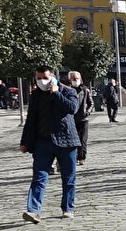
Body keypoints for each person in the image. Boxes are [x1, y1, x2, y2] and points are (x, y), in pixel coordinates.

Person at [20, 66, 81, 223]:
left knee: (68, 178)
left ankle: (68, 208)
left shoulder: (68, 91)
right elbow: (31, 120)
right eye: (38, 78)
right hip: (43, 142)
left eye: (44, 78)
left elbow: (72, 109)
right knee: (39, 177)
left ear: (53, 77)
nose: (41, 81)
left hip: (67, 141)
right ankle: (33, 211)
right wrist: (25, 142)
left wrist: (56, 93)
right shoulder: (36, 95)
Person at [69, 71, 91, 166]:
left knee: (83, 140)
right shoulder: (68, 90)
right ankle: (75, 157)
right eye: (73, 79)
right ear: (70, 80)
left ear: (80, 79)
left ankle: (82, 157)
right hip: (71, 119)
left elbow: (91, 103)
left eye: (77, 78)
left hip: (83, 119)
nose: (75, 80)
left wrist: (87, 112)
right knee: (73, 140)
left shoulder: (85, 90)